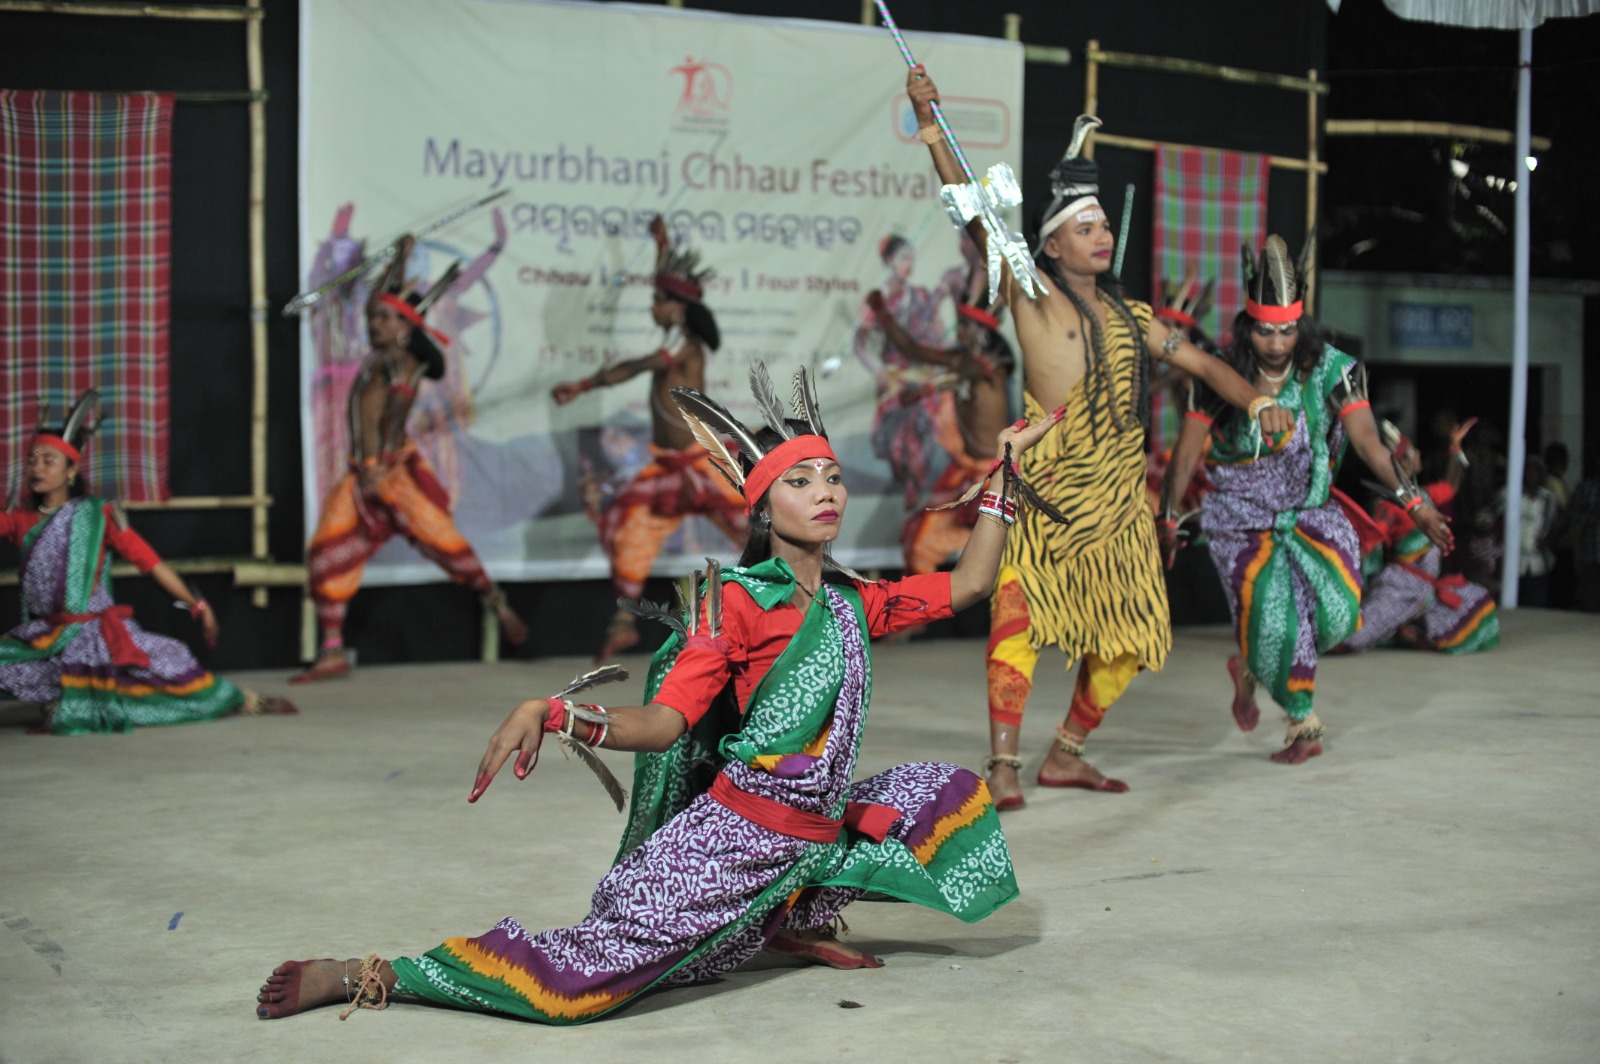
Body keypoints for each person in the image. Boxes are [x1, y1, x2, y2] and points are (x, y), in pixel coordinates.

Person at [256, 367, 1064, 1024]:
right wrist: (560, 712)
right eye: (800, 481)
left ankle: (791, 917)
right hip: (737, 840)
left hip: (811, 840)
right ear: (762, 504)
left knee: (945, 794)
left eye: (832, 477)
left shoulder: (855, 601)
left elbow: (970, 581)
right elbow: (666, 720)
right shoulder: (737, 603)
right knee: (576, 988)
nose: (825, 492)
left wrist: (1004, 473)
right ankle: (378, 973)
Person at [908, 67, 1294, 806]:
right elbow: (976, 216)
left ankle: (1067, 753)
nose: (1103, 236)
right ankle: (1005, 764)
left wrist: (1257, 402)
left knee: (1133, 632)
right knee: (1018, 615)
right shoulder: (1029, 291)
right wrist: (931, 124)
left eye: (1105, 227)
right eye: (1086, 228)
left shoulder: (1135, 317)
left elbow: (1206, 361)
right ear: (1051, 244)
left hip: (1116, 494)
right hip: (1048, 483)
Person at [1159, 235, 1452, 763]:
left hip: (1314, 513)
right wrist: (1169, 514)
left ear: (1302, 325)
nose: (1276, 343)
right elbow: (1185, 454)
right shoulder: (1222, 374)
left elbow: (1367, 441)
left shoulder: (1334, 369)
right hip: (1240, 522)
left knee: (1342, 618)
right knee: (1275, 617)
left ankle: (1250, 663)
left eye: (1287, 330)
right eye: (1266, 331)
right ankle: (1302, 723)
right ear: (1248, 327)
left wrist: (1416, 503)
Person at [295, 235, 527, 683]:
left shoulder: (399, 362)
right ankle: (332, 651)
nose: (374, 324)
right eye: (373, 317)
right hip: (362, 476)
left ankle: (495, 601)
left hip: (391, 473)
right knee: (327, 552)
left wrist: (379, 462)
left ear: (404, 329)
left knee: (446, 544)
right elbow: (379, 302)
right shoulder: (376, 356)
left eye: (384, 319)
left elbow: (397, 409)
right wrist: (398, 262)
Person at [0, 393, 296, 732]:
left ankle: (240, 699)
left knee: (174, 663)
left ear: (71, 469)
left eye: (48, 460)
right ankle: (67, 700)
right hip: (47, 635)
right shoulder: (20, 521)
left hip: (95, 632)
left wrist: (196, 604)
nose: (37, 468)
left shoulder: (99, 516)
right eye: (32, 460)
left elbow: (151, 564)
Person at [551, 216, 746, 662]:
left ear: (677, 307)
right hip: (667, 469)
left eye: (658, 300)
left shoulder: (682, 343)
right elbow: (669, 291)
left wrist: (583, 385)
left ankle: (807, 605)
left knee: (759, 532)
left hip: (702, 466)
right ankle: (622, 623)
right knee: (632, 530)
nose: (652, 307)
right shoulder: (677, 333)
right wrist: (662, 244)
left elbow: (636, 366)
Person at [865, 290, 1015, 576]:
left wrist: (926, 389)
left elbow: (969, 370)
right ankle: (928, 611)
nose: (959, 332)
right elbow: (913, 351)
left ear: (982, 331)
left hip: (996, 474)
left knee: (1002, 547)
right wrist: (882, 313)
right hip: (965, 473)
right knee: (920, 539)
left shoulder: (991, 363)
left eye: (966, 327)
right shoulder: (962, 362)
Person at [1335, 419, 1499, 654]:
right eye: (1413, 452)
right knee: (1352, 639)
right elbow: (1371, 542)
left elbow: (1450, 486)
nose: (1419, 453)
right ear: (1402, 464)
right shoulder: (1388, 506)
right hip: (1401, 586)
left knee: (1477, 601)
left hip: (1424, 589)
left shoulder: (1421, 497)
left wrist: (1455, 447)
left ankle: (1406, 627)